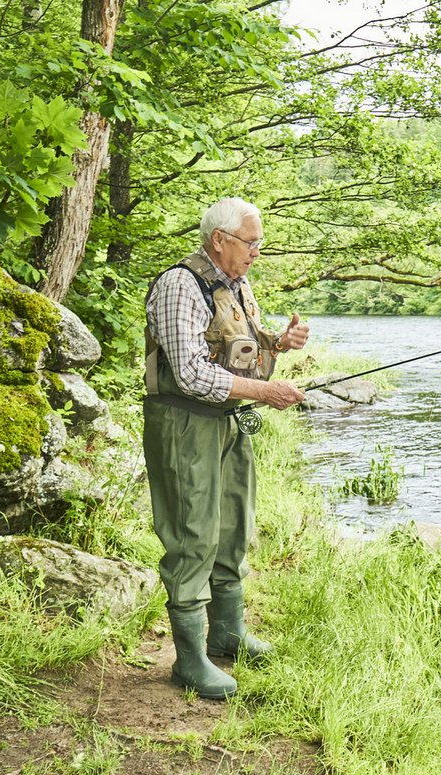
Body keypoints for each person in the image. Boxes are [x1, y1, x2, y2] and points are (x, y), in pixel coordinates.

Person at [142, 197, 308, 699]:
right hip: (184, 424)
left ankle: (228, 635)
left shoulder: (236, 285)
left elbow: (236, 353)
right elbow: (191, 373)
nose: (257, 251)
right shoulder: (179, 285)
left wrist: (280, 343)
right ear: (219, 240)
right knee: (193, 534)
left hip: (229, 420)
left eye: (259, 242)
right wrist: (266, 392)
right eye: (251, 242)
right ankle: (189, 661)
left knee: (233, 527)